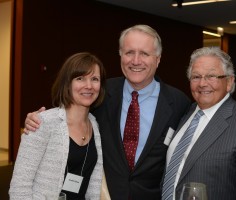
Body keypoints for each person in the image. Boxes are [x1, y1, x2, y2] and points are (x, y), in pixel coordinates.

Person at [23, 25, 191, 200]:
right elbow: (68, 114)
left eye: (144, 53)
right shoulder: (99, 93)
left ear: (158, 59)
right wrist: (37, 119)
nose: (135, 60)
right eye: (129, 52)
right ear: (120, 55)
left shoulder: (179, 103)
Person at [161, 47, 236, 200]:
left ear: (229, 82)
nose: (202, 83)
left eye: (211, 76)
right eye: (196, 77)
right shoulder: (185, 113)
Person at [10, 52, 106, 200]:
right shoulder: (43, 123)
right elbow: (19, 187)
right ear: (67, 83)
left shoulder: (95, 125)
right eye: (80, 78)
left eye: (95, 79)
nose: (89, 86)